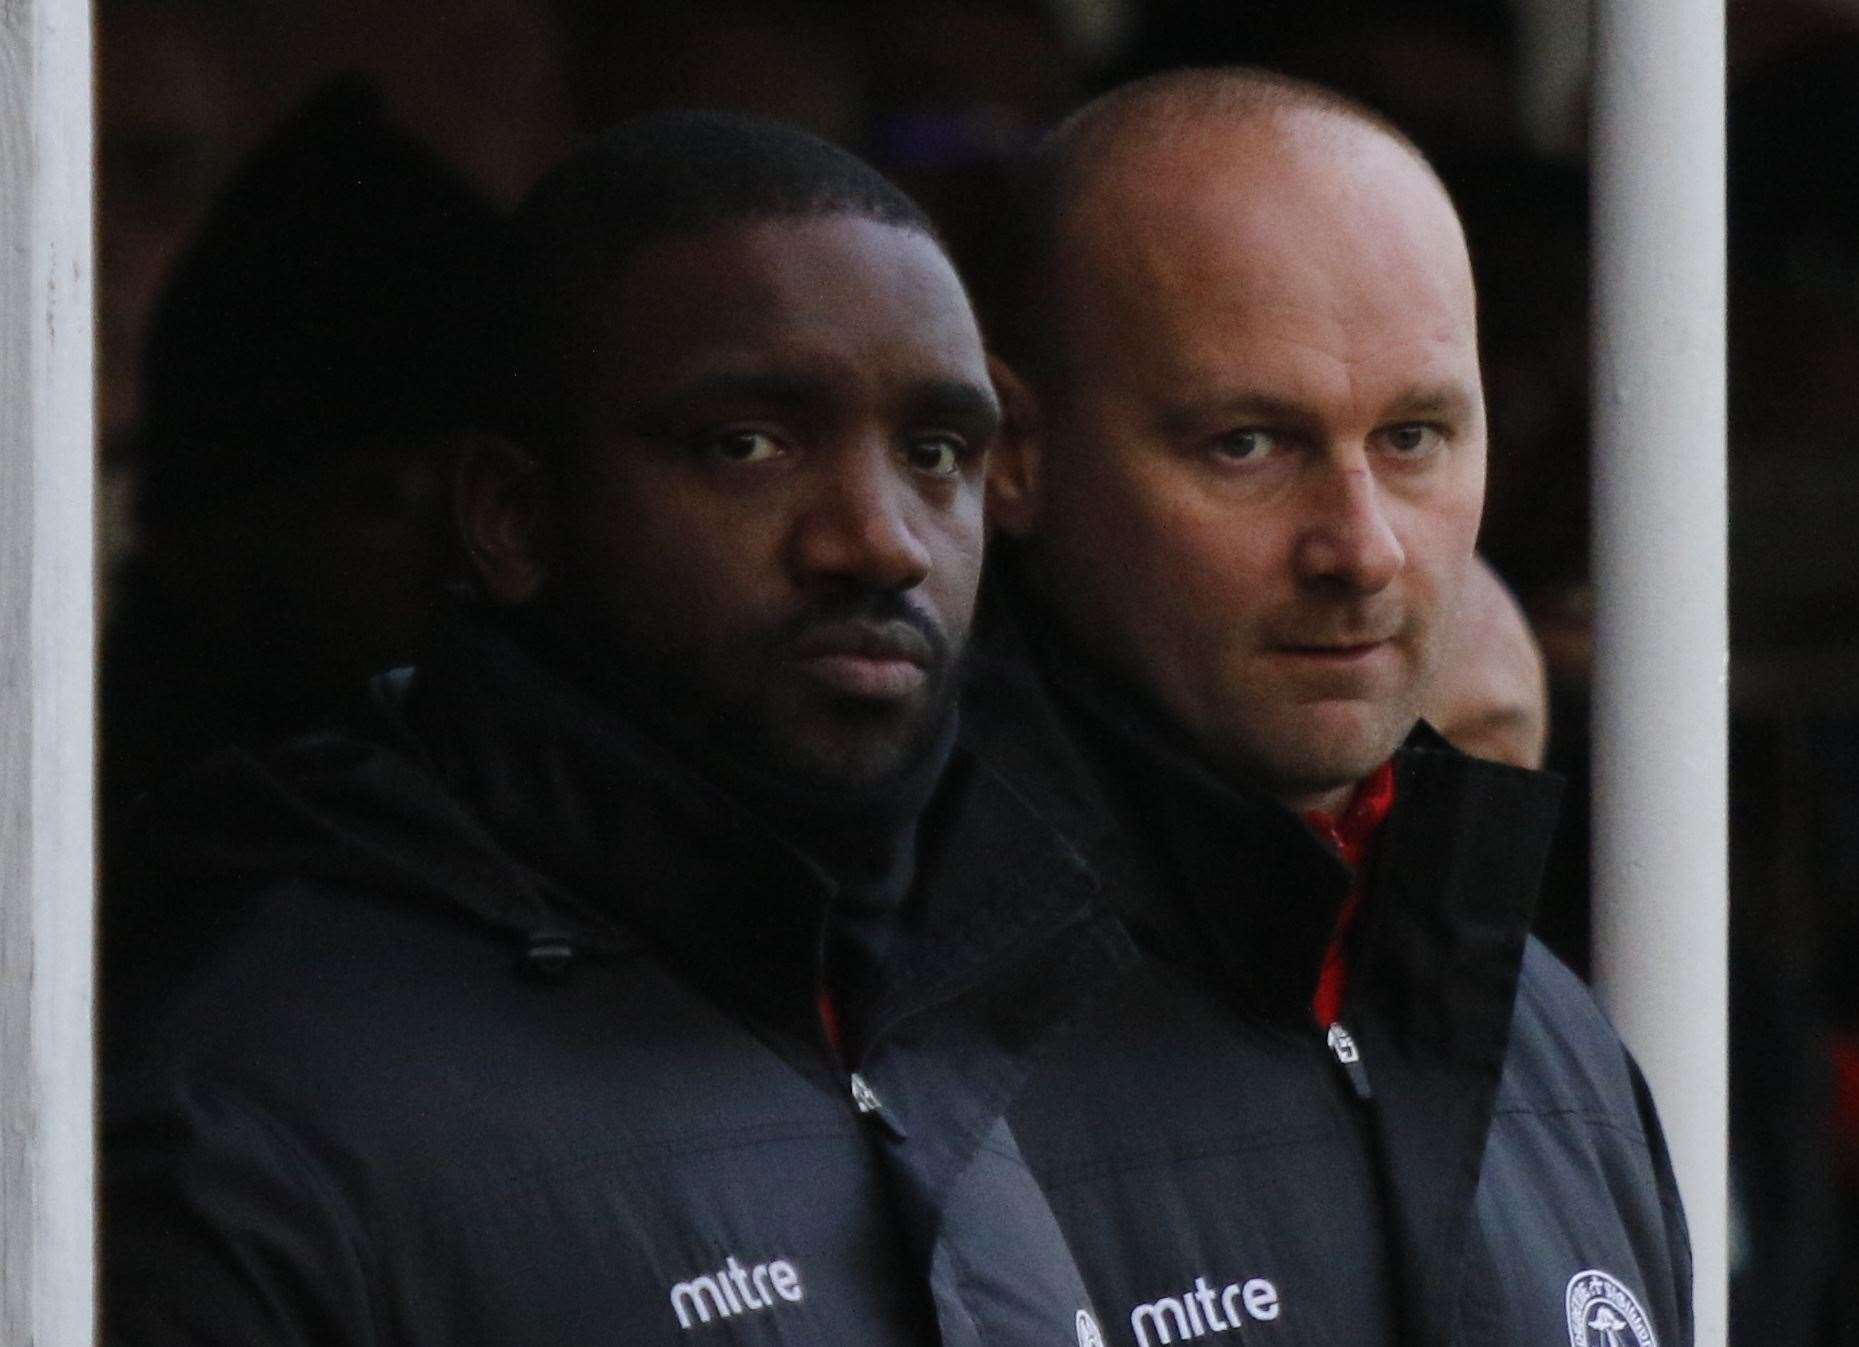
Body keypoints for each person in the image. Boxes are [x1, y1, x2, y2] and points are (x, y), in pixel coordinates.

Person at [102, 111, 1129, 1344]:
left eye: (934, 451)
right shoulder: (255, 1092)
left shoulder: (1020, 981)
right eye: (745, 445)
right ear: (512, 519)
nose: (880, 539)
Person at [974, 68, 1693, 1346]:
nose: (1359, 547)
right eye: (1246, 444)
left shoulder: (1540, 1029)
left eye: (1413, 437)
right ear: (1013, 454)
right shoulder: (886, 1032)